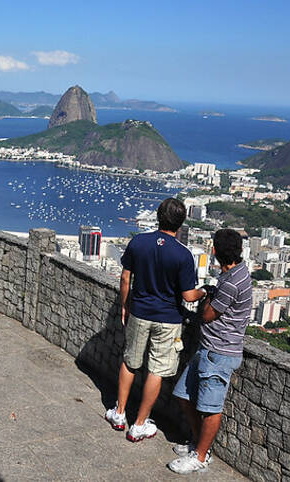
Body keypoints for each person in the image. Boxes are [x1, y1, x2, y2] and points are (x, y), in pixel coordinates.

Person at [104, 198, 206, 441]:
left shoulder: (139, 242)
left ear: (158, 216)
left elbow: (126, 278)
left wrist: (125, 306)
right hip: (169, 319)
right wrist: (206, 291)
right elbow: (188, 296)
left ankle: (119, 413)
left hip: (139, 312)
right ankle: (139, 425)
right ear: (180, 224)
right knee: (156, 371)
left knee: (130, 362)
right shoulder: (183, 255)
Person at [168, 229, 252, 474]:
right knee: (184, 395)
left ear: (214, 252)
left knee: (210, 409)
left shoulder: (231, 282)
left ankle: (201, 456)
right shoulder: (233, 274)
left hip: (220, 352)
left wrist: (206, 293)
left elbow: (206, 315)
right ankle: (197, 444)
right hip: (209, 349)